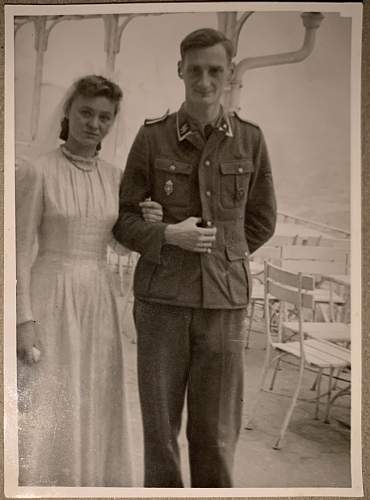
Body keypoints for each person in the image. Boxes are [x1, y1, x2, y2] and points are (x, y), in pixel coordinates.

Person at [113, 28, 277, 487]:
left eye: (215, 70)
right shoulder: (152, 139)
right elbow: (124, 222)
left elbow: (262, 221)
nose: (205, 80)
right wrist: (168, 236)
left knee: (217, 436)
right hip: (161, 303)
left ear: (228, 73)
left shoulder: (250, 140)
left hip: (224, 307)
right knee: (161, 434)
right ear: (180, 70)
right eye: (196, 69)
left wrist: (222, 259)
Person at [16, 75, 162, 486]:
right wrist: (23, 319)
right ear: (68, 112)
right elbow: (18, 250)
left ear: (113, 122)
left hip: (98, 297)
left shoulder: (116, 178)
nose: (93, 123)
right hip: (50, 293)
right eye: (85, 112)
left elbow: (115, 246)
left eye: (104, 116)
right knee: (48, 392)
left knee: (93, 395)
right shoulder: (36, 170)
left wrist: (146, 224)